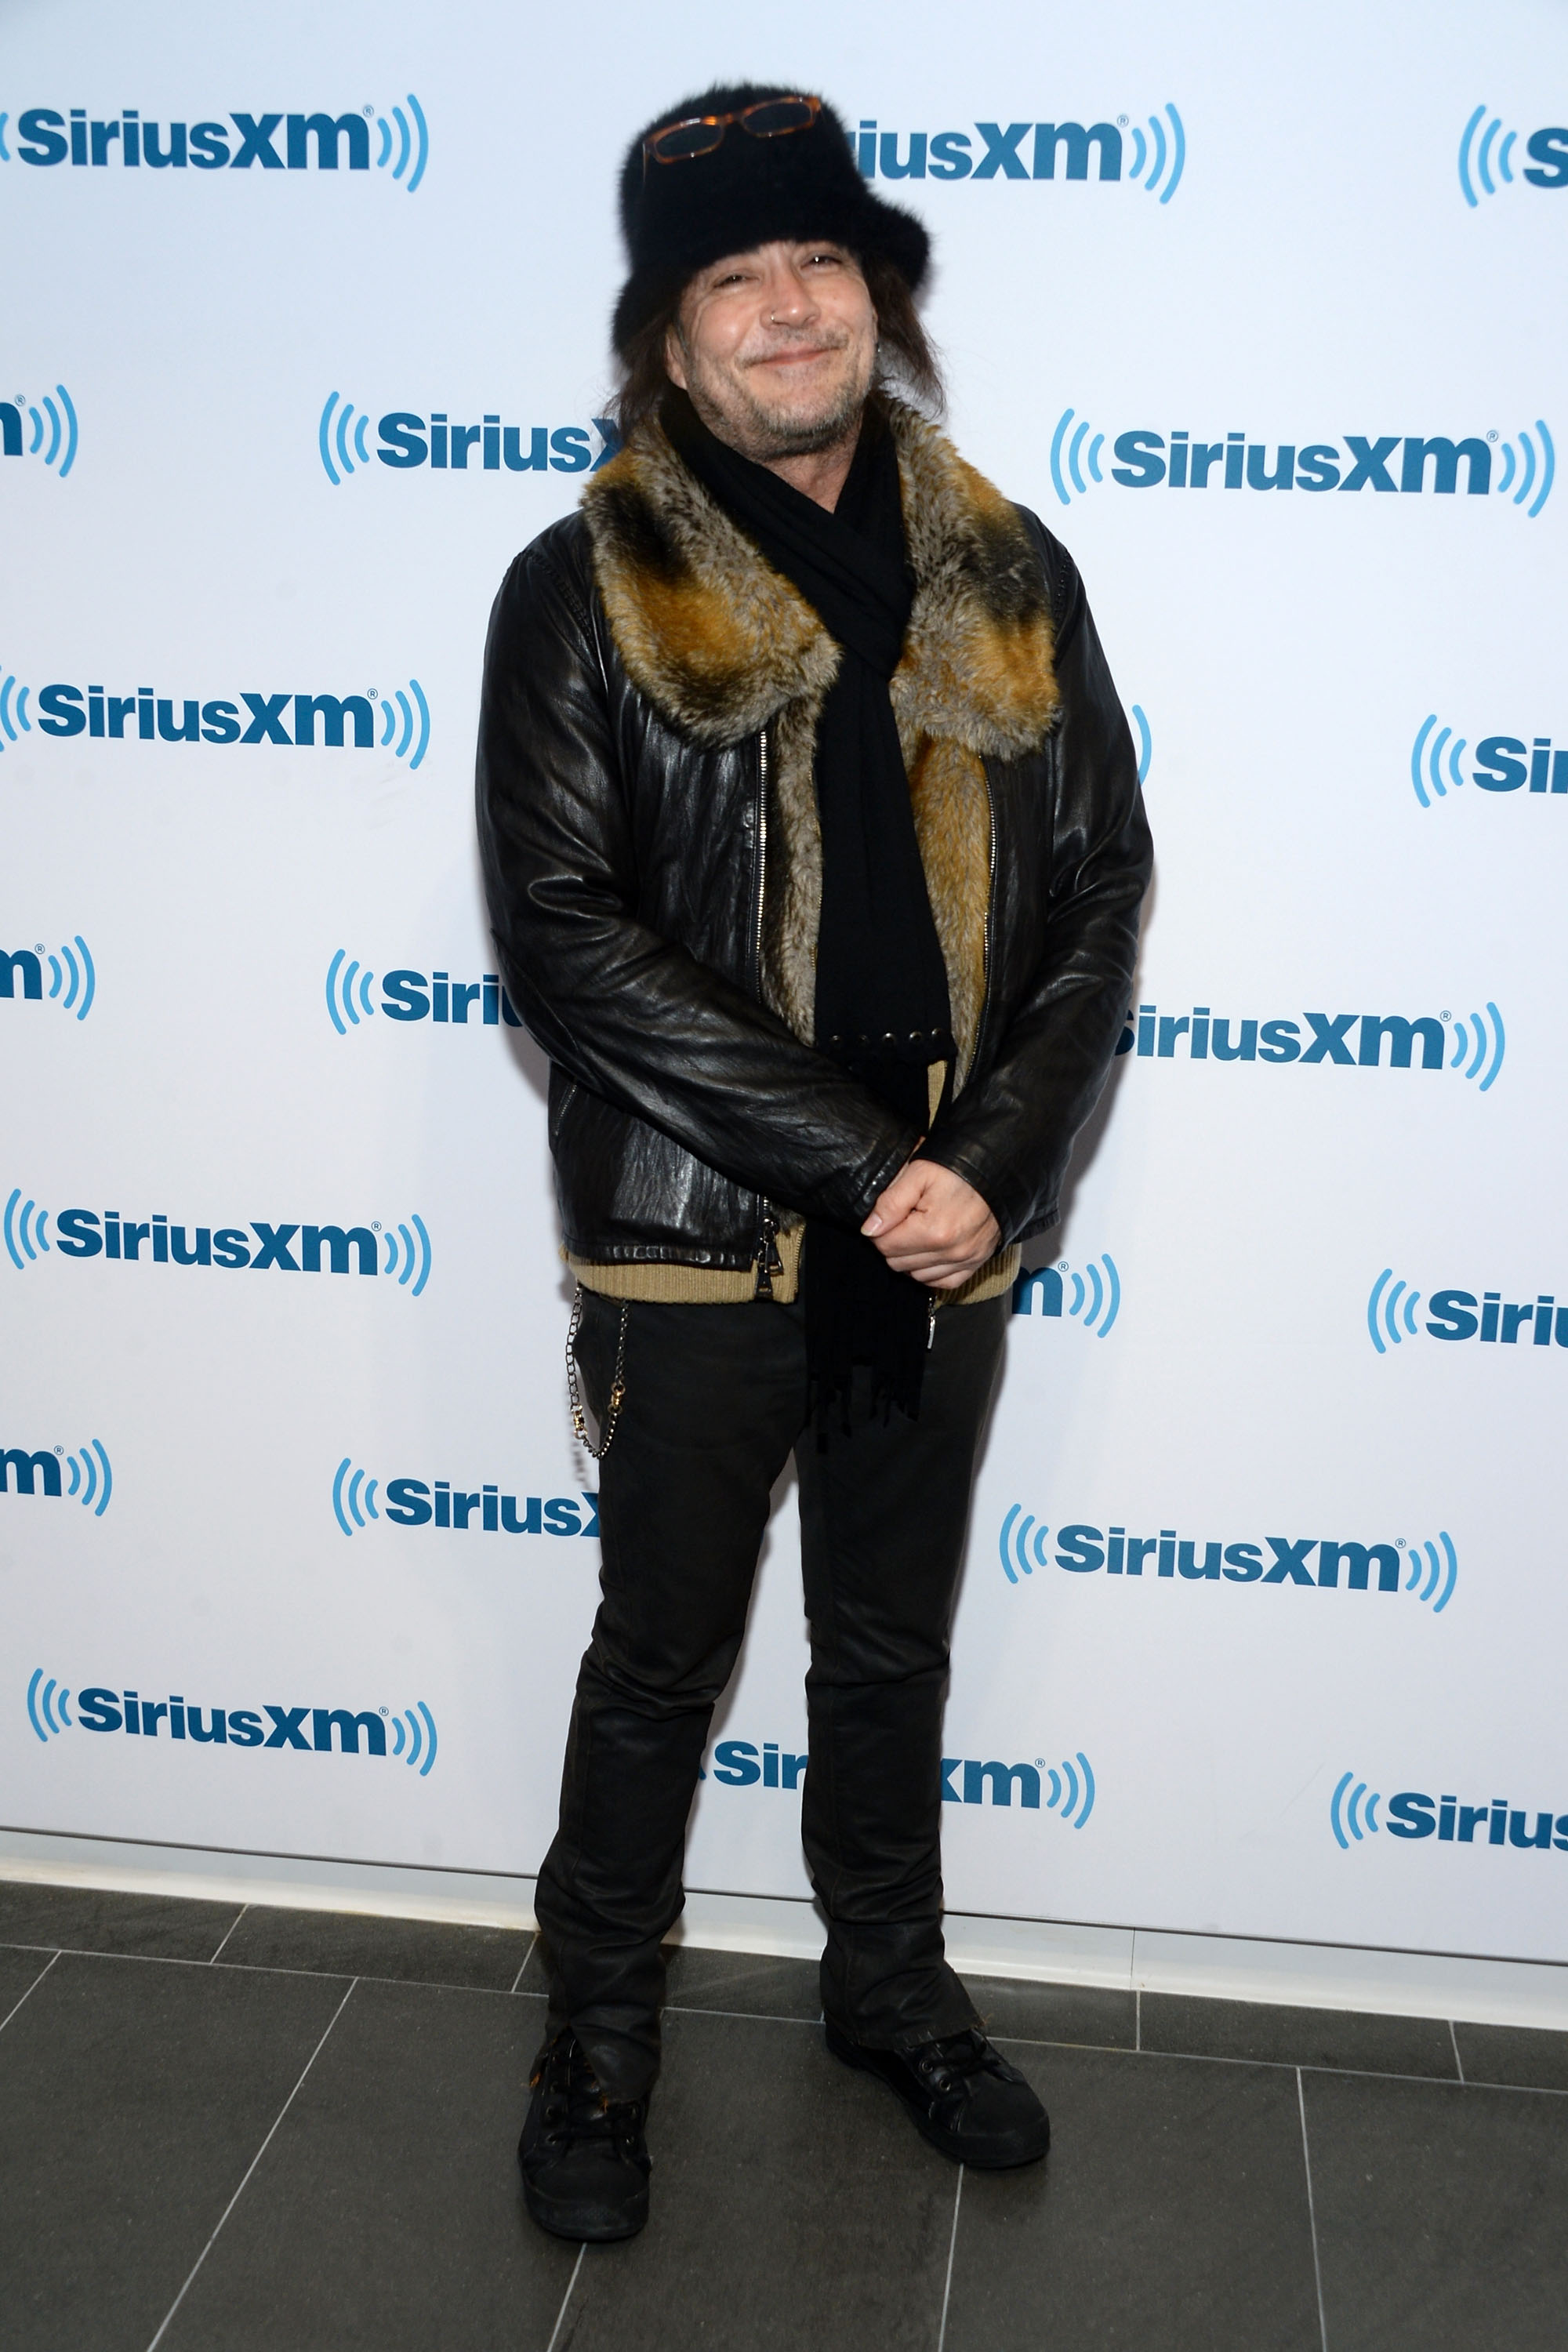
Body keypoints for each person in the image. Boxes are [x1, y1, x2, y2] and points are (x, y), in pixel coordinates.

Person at [477, 82, 1151, 2242]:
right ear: (668, 344)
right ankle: (594, 2051)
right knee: (659, 1663)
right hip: (711, 1226)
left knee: (889, 1645)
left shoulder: (1012, 570)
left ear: (880, 298)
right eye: (733, 282)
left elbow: (1107, 888)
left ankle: (891, 1990)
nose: (787, 311)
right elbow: (568, 939)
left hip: (947, 1220)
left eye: (821, 266)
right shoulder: (579, 590)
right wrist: (875, 1167)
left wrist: (997, 1172)